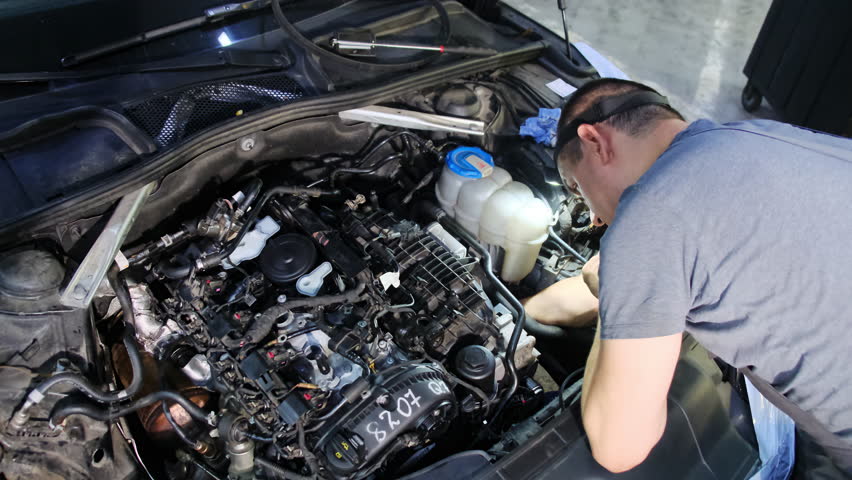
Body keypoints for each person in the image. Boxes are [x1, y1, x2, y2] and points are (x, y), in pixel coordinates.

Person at [522, 78, 852, 476]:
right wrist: (517, 313)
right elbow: (586, 290)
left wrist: (614, 300)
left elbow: (620, 447)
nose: (591, 217)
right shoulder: (761, 137)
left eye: (577, 188)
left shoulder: (651, 212)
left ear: (594, 141)